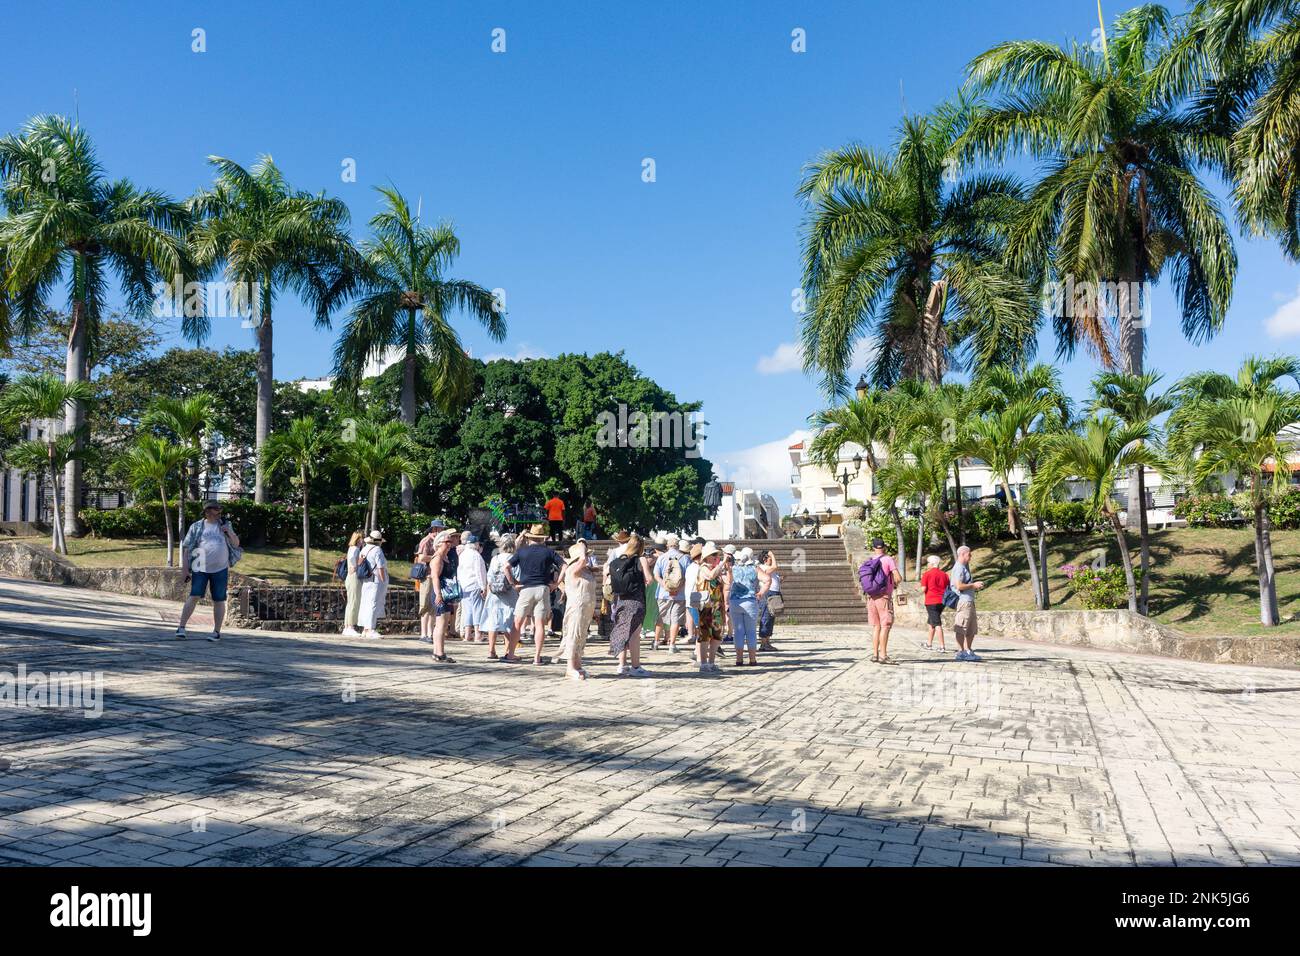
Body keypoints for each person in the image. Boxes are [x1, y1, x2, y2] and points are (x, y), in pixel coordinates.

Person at [176, 501, 241, 642]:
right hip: (200, 566)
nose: (219, 512)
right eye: (216, 510)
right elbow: (187, 549)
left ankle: (216, 632)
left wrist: (227, 530)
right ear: (207, 511)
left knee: (219, 599)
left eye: (219, 510)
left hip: (221, 568)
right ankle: (181, 627)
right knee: (194, 596)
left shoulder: (225, 525)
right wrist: (185, 570)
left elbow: (236, 544)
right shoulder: (197, 526)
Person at [507, 523, 564, 665]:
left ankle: (511, 654)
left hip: (526, 588)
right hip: (543, 588)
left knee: (518, 622)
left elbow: (506, 567)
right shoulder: (548, 552)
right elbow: (564, 566)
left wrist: (514, 583)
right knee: (539, 624)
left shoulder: (522, 551)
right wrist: (556, 584)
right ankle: (537, 657)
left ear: (529, 538)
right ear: (542, 538)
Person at [607, 532, 652, 676]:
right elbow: (649, 579)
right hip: (636, 600)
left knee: (623, 631)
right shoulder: (641, 560)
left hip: (621, 599)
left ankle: (622, 665)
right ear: (640, 547)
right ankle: (636, 667)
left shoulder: (619, 560)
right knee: (634, 634)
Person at [559, 540, 598, 680]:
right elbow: (582, 559)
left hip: (586, 608)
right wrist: (582, 548)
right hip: (576, 607)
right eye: (585, 556)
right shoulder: (572, 569)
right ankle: (570, 668)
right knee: (573, 635)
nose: (587, 558)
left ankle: (577, 664)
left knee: (581, 636)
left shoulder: (586, 570)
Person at [862, 537, 902, 664]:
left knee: (876, 627)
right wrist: (894, 585)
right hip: (884, 597)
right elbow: (898, 577)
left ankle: (875, 654)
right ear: (883, 547)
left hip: (871, 597)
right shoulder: (888, 559)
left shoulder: (870, 561)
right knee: (886, 626)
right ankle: (883, 656)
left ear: (873, 548)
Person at [483, 533, 519, 660]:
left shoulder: (495, 559)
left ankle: (491, 651)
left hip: (495, 594)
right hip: (510, 595)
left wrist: (487, 591)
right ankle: (509, 651)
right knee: (510, 623)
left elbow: (489, 578)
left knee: (493, 622)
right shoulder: (515, 558)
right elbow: (518, 577)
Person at [653, 533, 689, 654]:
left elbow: (656, 575)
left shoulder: (661, 557)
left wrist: (665, 585)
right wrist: (677, 588)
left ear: (667, 546)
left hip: (663, 593)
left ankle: (656, 642)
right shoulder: (685, 558)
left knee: (661, 618)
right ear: (678, 546)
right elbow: (687, 577)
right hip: (679, 593)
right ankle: (672, 645)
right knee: (675, 620)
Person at [428, 529, 459, 663]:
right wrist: (438, 594)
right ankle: (440, 653)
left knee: (442, 623)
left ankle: (437, 652)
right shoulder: (438, 558)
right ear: (439, 543)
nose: (450, 544)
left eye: (450, 541)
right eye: (447, 541)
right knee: (441, 623)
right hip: (440, 594)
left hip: (444, 594)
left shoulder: (445, 557)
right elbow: (434, 576)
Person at [694, 542, 726, 673]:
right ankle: (703, 663)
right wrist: (722, 563)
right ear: (706, 557)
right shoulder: (703, 568)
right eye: (713, 555)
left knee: (717, 635)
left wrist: (726, 569)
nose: (715, 557)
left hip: (717, 607)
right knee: (705, 635)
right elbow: (710, 576)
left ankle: (712, 662)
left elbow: (726, 583)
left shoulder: (716, 569)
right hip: (706, 607)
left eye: (716, 555)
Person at [952, 545, 985, 661]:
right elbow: (959, 586)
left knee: (971, 628)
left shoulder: (964, 567)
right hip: (964, 602)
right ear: (962, 554)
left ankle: (968, 650)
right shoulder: (959, 568)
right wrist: (973, 585)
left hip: (969, 602)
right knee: (961, 627)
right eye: (969, 554)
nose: (970, 557)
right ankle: (961, 652)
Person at [730, 547, 761, 666]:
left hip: (735, 601)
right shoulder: (755, 569)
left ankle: (739, 659)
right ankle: (752, 659)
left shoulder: (734, 569)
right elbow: (767, 579)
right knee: (751, 631)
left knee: (738, 631)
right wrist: (761, 592)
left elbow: (727, 582)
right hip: (750, 601)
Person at [356, 530, 389, 640]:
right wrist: (384, 581)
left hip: (366, 579)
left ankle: (365, 629)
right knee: (373, 604)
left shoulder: (364, 549)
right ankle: (371, 629)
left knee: (365, 603)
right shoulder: (378, 550)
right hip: (376, 580)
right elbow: (380, 567)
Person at [414, 520, 443, 644]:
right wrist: (436, 557)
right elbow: (421, 557)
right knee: (425, 605)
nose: (440, 531)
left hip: (434, 575)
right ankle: (423, 634)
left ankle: (430, 633)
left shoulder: (437, 542)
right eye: (439, 529)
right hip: (426, 576)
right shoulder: (426, 541)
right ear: (434, 529)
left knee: (432, 606)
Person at [457, 532, 488, 644]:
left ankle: (467, 635)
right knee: (477, 610)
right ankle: (478, 635)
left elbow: (459, 571)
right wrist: (483, 587)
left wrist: (460, 583)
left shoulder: (463, 555)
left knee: (467, 611)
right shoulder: (476, 555)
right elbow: (480, 572)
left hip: (464, 586)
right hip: (475, 585)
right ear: (476, 544)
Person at [919, 554, 950, 653]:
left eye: (928, 563)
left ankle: (942, 646)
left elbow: (923, 589)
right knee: (931, 622)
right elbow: (948, 587)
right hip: (942, 601)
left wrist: (918, 589)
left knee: (937, 623)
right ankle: (929, 644)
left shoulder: (927, 574)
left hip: (931, 601)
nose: (927, 565)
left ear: (932, 564)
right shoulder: (945, 575)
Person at [757, 549, 782, 652]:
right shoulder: (762, 567)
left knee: (771, 617)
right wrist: (771, 554)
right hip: (768, 594)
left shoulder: (769, 568)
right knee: (766, 617)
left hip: (774, 593)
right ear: (765, 559)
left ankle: (767, 641)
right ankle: (763, 642)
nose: (772, 560)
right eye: (770, 558)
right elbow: (775, 567)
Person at [341, 529, 364, 637]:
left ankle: (347, 626)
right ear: (358, 539)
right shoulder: (355, 549)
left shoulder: (352, 548)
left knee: (351, 602)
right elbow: (354, 563)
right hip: (354, 577)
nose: (363, 541)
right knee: (354, 602)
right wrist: (360, 561)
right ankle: (350, 626)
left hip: (350, 577)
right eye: (361, 538)